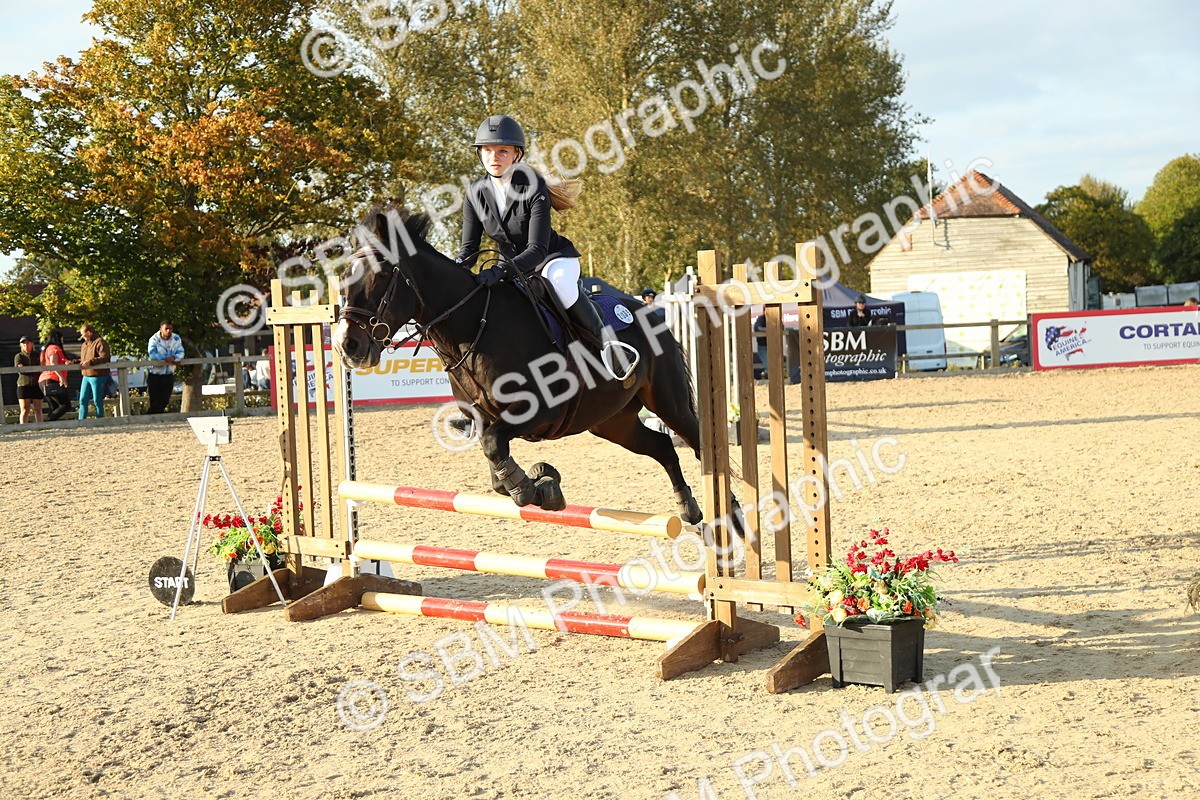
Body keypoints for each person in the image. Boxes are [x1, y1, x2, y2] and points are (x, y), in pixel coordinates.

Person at [453, 114, 638, 380]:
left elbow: (537, 249)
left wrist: (503, 271)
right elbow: (469, 249)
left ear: (517, 155)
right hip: (511, 267)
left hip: (551, 259)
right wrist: (455, 267)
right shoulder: (474, 192)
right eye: (487, 151)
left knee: (560, 284)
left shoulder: (531, 185)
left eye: (502, 151)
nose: (494, 157)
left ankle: (610, 348)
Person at [146, 320, 184, 414]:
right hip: (155, 373)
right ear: (161, 329)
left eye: (170, 329)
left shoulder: (176, 338)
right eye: (166, 329)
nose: (168, 331)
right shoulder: (154, 339)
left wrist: (175, 359)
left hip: (168, 373)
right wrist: (165, 359)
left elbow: (181, 352)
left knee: (165, 398)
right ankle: (154, 418)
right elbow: (152, 354)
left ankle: (150, 415)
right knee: (154, 398)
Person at [76, 323, 111, 419]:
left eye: (83, 334)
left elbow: (104, 357)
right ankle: (81, 420)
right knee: (82, 399)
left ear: (89, 333)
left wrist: (91, 362)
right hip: (86, 375)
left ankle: (100, 419)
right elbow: (84, 360)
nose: (82, 337)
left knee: (97, 400)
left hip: (97, 374)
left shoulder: (100, 342)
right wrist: (73, 362)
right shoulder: (84, 345)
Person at [38, 330, 72, 421]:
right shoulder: (54, 348)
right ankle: (48, 421)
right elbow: (53, 363)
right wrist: (61, 377)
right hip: (52, 379)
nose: (63, 341)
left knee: (54, 407)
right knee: (65, 405)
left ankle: (50, 425)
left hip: (43, 379)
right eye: (62, 339)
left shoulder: (45, 350)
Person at [14, 336, 44, 423]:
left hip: (36, 383)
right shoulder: (19, 356)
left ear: (32, 344)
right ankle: (23, 428)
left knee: (38, 408)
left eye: (27, 343)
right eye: (23, 343)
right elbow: (20, 368)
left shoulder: (38, 355)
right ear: (21, 345)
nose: (26, 345)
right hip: (24, 384)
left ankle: (40, 426)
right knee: (24, 409)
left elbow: (41, 366)